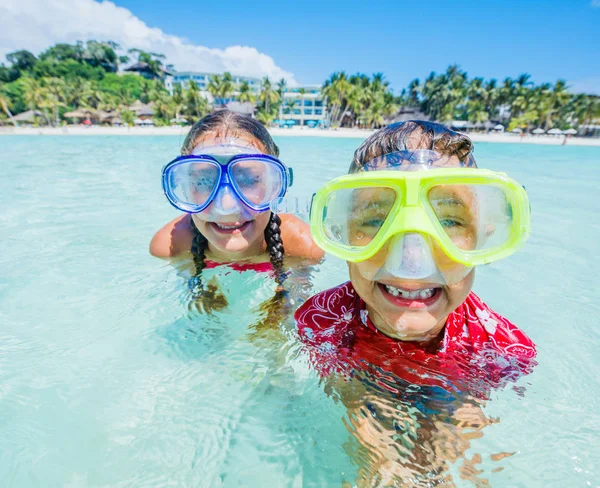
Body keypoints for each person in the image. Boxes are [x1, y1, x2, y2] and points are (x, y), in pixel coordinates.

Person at [294, 121, 537, 484]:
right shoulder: (320, 320)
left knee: (457, 463)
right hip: (366, 378)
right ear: (342, 235)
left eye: (450, 220)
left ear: (483, 238)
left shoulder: (501, 348)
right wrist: (357, 397)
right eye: (375, 219)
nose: (411, 260)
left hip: (454, 381)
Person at [150, 110, 323, 310]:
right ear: (185, 187)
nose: (227, 207)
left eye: (249, 179)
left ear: (274, 186)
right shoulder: (170, 245)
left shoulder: (302, 246)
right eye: (205, 181)